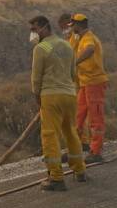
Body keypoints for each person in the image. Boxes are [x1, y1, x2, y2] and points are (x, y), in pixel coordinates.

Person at [29, 15, 86, 191]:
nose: (32, 34)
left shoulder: (41, 48)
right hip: (69, 94)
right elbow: (72, 73)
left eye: (34, 29)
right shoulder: (67, 45)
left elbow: (36, 78)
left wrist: (37, 96)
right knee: (70, 131)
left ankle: (56, 177)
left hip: (50, 95)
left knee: (49, 134)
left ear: (43, 28)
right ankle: (80, 171)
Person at [70, 14, 108, 164]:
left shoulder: (88, 38)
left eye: (73, 25)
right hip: (85, 83)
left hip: (94, 82)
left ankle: (95, 151)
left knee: (95, 117)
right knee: (79, 115)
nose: (71, 28)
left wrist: (75, 62)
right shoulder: (80, 39)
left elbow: (90, 49)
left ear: (78, 25)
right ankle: (76, 148)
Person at [60, 12, 92, 153]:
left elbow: (79, 54)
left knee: (78, 111)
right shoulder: (70, 38)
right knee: (78, 111)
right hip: (74, 77)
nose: (66, 29)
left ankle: (82, 141)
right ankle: (81, 140)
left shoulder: (78, 38)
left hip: (78, 78)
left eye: (66, 26)